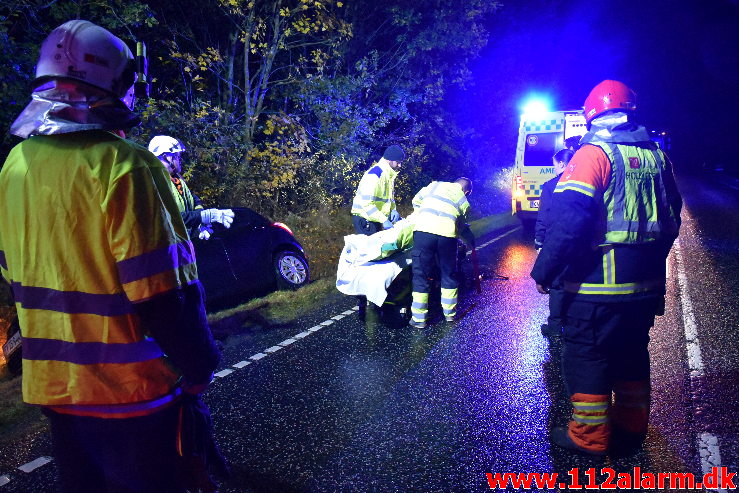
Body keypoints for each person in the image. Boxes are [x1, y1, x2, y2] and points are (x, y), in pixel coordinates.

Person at [0, 20, 221, 492]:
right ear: (113, 85)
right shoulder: (126, 165)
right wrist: (200, 364)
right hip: (132, 396)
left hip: (57, 393)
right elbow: (166, 294)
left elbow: (13, 274)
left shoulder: (14, 166)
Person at [530, 80, 682, 456]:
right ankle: (631, 429)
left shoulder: (593, 154)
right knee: (632, 354)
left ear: (592, 116)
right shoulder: (658, 157)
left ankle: (589, 438)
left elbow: (569, 224)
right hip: (644, 287)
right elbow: (673, 216)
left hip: (594, 288)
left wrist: (544, 272)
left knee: (586, 356)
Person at [409, 177, 475, 329]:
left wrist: (424, 214)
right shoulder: (463, 200)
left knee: (421, 275)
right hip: (447, 236)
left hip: (423, 231)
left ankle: (419, 319)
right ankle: (450, 315)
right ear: (466, 191)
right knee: (448, 274)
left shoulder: (433, 185)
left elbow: (416, 200)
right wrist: (468, 238)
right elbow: (460, 224)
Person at [350, 144, 405, 316]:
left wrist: (393, 210)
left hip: (374, 219)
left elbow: (388, 199)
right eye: (398, 162)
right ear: (390, 160)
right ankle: (363, 298)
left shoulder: (388, 174)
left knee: (377, 254)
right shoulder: (375, 175)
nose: (400, 166)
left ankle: (373, 295)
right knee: (370, 256)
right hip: (365, 219)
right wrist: (384, 220)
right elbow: (367, 204)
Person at [148, 135, 234, 240]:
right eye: (176, 155)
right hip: (167, 246)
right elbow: (168, 219)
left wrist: (199, 222)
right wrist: (202, 216)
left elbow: (193, 199)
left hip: (182, 242)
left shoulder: (176, 180)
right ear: (167, 157)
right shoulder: (155, 183)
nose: (179, 160)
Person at [534, 148, 574, 338]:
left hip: (556, 239)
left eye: (555, 164)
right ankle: (575, 323)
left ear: (562, 164)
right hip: (580, 239)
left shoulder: (550, 186)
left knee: (557, 283)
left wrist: (539, 241)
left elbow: (544, 216)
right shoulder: (584, 182)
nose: (554, 167)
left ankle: (555, 326)